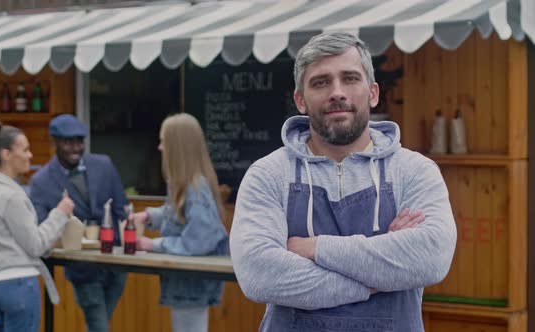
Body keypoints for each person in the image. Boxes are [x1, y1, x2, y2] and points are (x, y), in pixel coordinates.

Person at [230, 32, 457, 331]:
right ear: (300, 100)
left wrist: (316, 248)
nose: (337, 92)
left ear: (373, 93)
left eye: (350, 78)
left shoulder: (414, 170)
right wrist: (376, 280)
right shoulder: (268, 174)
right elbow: (259, 275)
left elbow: (430, 258)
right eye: (321, 82)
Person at [29, 114, 129, 332]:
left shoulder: (104, 164)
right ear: (54, 142)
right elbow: (42, 228)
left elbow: (121, 209)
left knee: (99, 324)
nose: (75, 147)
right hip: (82, 269)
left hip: (116, 266)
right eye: (68, 142)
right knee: (98, 325)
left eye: (79, 141)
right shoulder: (41, 181)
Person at [131, 113, 229, 332]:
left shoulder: (196, 188)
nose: (159, 147)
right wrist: (149, 217)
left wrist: (152, 245)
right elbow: (178, 212)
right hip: (185, 285)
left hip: (192, 286)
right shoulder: (183, 184)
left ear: (178, 146)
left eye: (163, 141)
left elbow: (199, 241)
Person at [0, 119, 74, 332]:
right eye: (26, 149)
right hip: (18, 286)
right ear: (6, 154)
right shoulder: (12, 196)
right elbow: (36, 245)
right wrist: (60, 213)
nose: (30, 155)